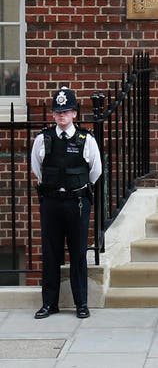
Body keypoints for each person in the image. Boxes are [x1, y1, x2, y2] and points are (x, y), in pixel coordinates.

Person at [31, 87, 102, 319]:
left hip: (77, 203)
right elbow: (37, 169)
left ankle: (81, 303)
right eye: (58, 112)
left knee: (78, 253)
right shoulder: (43, 139)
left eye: (66, 111)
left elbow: (95, 171)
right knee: (50, 253)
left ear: (74, 114)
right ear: (53, 115)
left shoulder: (86, 139)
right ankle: (49, 304)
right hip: (51, 202)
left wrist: (76, 189)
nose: (61, 116)